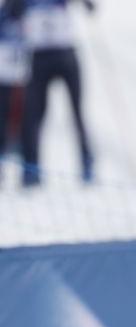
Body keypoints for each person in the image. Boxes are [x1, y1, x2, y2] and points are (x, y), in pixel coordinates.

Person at [6, 0, 95, 187]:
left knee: (77, 113)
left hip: (65, 54)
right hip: (39, 57)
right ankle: (31, 169)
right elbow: (9, 14)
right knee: (34, 116)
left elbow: (90, 7)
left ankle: (87, 164)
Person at [0, 0, 28, 186]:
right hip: (3, 75)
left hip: (23, 76)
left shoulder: (26, 10)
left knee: (25, 123)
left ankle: (28, 172)